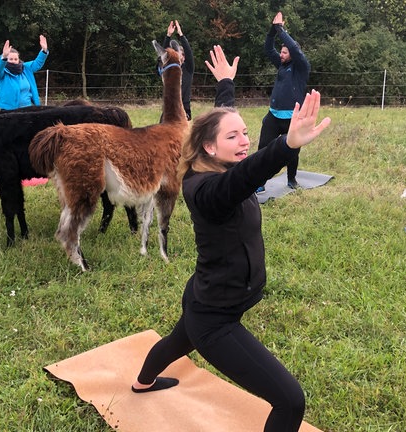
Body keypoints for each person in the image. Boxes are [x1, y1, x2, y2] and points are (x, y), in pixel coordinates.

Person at [131, 45, 331, 432]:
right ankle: (146, 378)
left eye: (245, 133)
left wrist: (226, 85)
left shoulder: (216, 160)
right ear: (209, 147)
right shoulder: (207, 191)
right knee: (291, 401)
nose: (243, 141)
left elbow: (223, 128)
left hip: (203, 294)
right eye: (233, 136)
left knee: (175, 342)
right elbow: (246, 177)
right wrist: (286, 145)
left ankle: (143, 382)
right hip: (216, 318)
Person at [256, 11, 311, 193]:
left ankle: (292, 180)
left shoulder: (301, 66)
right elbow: (267, 49)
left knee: (292, 150)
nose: (281, 54)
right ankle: (259, 181)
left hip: (292, 118)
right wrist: (273, 30)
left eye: (285, 52)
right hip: (273, 116)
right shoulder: (281, 65)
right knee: (263, 150)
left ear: (293, 54)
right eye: (281, 51)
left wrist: (281, 29)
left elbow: (294, 49)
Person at [0, 35, 48, 110]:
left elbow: (37, 63)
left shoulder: (25, 68)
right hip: (9, 111)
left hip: (27, 109)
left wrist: (44, 50)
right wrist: (4, 56)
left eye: (16, 59)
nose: (13, 61)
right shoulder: (2, 74)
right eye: (10, 59)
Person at [162, 20, 194, 120]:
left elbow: (189, 52)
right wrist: (168, 35)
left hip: (184, 110)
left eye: (177, 52)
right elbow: (163, 56)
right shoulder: (168, 70)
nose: (174, 54)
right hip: (168, 109)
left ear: (183, 57)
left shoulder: (188, 68)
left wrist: (181, 34)